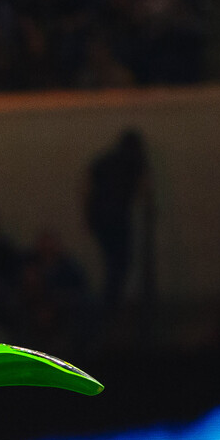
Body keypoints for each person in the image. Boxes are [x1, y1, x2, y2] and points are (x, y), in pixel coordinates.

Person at [84, 127, 149, 309]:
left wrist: (88, 216)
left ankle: (109, 301)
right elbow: (143, 189)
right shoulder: (134, 162)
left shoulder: (104, 161)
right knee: (121, 261)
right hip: (118, 217)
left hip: (100, 217)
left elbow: (87, 187)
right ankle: (109, 302)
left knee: (113, 260)